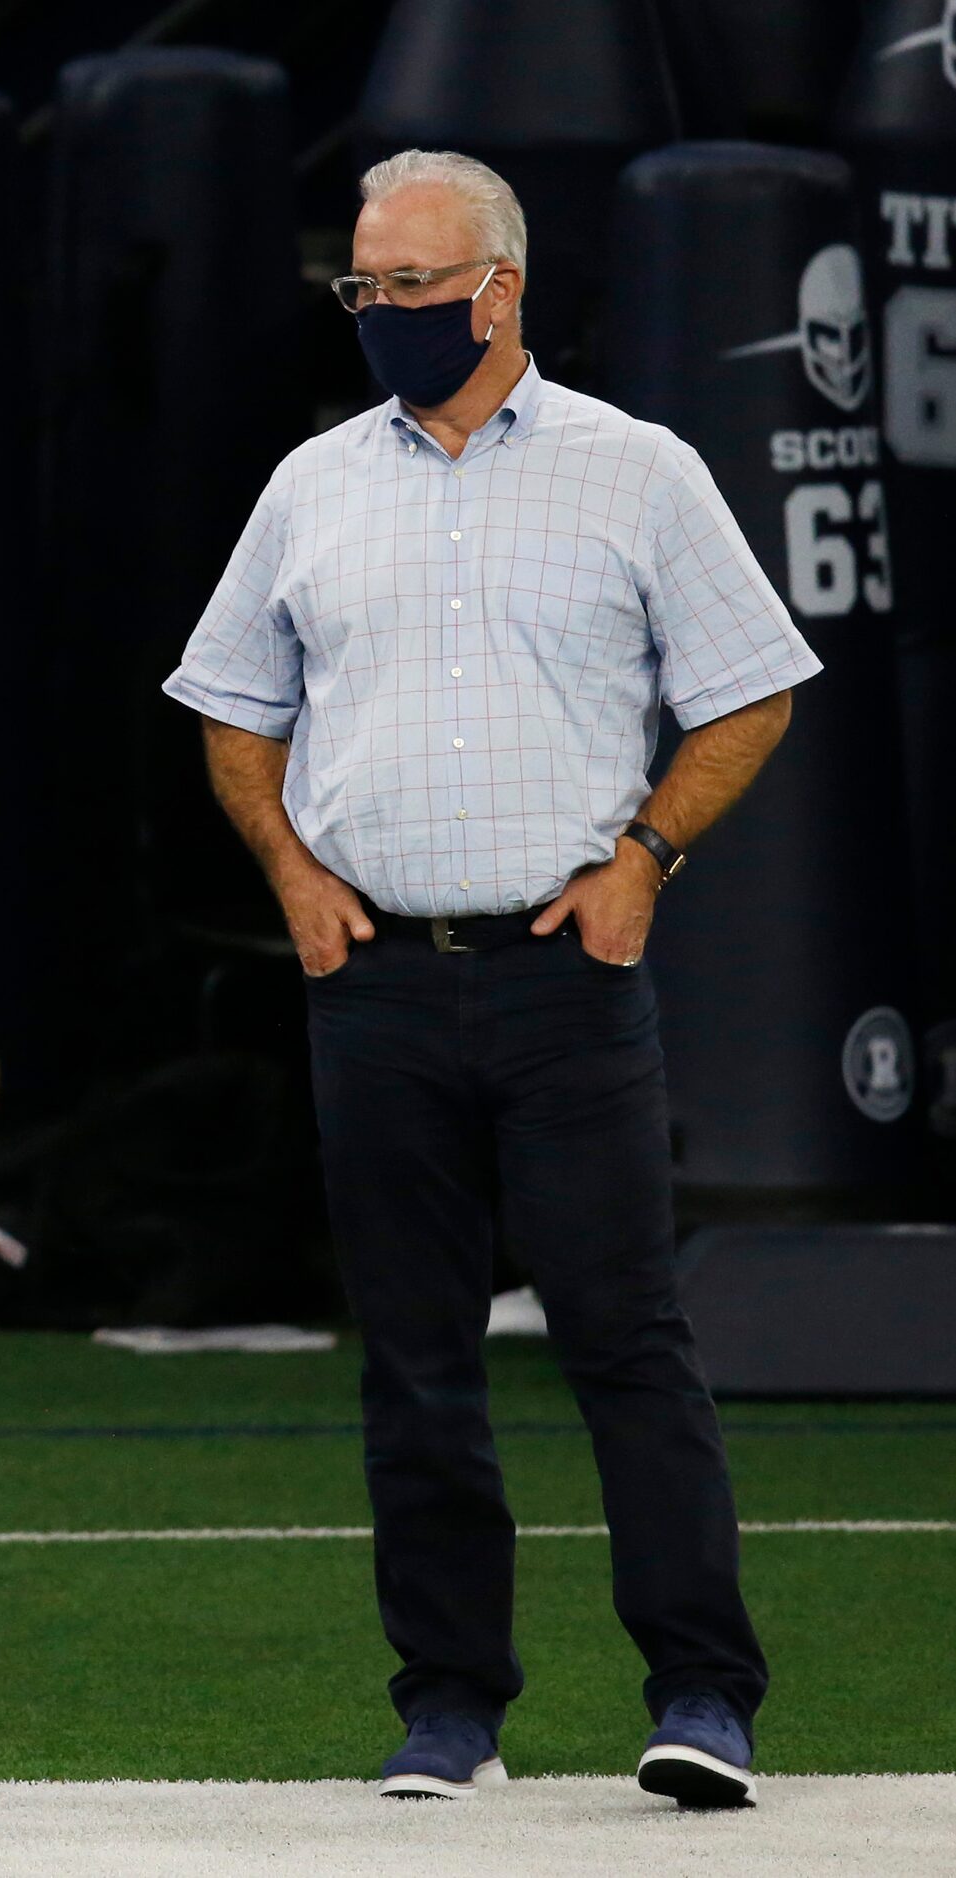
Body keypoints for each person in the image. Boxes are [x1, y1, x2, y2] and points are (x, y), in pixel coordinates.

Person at [164, 148, 808, 1811]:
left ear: (495, 289)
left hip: (558, 976)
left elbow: (748, 690)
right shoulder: (313, 482)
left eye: (401, 287)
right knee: (415, 1352)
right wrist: (296, 878)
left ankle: (700, 1691)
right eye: (359, 289)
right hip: (371, 980)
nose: (373, 312)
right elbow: (232, 703)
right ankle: (448, 1704)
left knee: (624, 1336)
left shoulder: (634, 469)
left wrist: (641, 863)